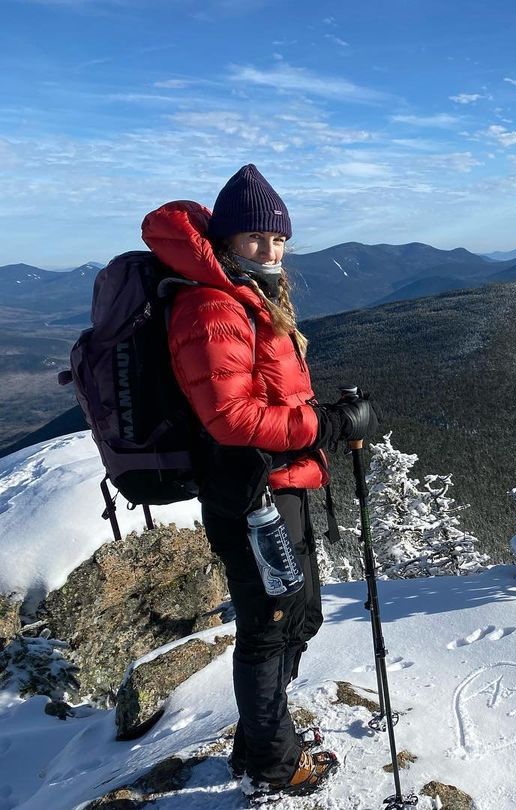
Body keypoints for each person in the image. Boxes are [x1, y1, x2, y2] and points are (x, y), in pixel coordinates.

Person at [141, 164, 377, 797]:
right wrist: (324, 425)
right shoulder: (210, 304)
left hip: (278, 486)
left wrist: (319, 426)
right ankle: (271, 761)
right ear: (224, 241)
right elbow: (231, 417)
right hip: (248, 494)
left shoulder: (249, 296)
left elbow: (263, 394)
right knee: (269, 626)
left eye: (277, 240)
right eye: (254, 239)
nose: (269, 251)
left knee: (297, 619)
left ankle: (259, 739)